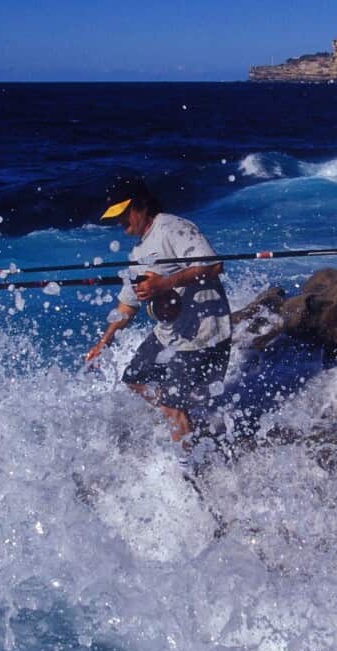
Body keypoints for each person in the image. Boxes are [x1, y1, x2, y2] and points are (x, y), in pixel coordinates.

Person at [85, 176, 233, 481]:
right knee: (135, 378)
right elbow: (127, 305)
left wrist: (165, 283)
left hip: (200, 333)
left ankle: (189, 470)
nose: (121, 223)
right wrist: (104, 342)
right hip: (169, 333)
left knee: (171, 403)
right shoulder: (138, 252)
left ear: (141, 206)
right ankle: (182, 416)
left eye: (125, 214)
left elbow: (214, 265)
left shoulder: (172, 227)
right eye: (117, 217)